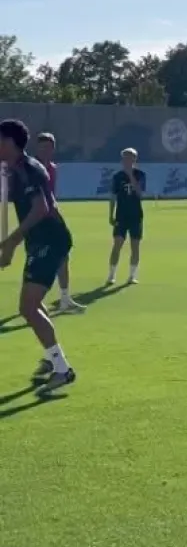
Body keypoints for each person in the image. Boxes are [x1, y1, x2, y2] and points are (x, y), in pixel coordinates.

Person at [0, 119, 76, 392]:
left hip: (50, 240)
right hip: (39, 241)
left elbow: (40, 209)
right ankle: (51, 357)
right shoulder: (14, 168)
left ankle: (62, 369)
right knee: (32, 305)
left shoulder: (28, 169)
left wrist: (10, 242)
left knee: (28, 307)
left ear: (9, 142)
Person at [35, 132, 85, 314]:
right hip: (37, 220)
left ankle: (64, 298)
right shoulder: (33, 168)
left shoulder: (53, 168)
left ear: (53, 148)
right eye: (42, 147)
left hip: (51, 218)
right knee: (38, 259)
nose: (45, 150)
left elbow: (52, 197)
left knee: (63, 255)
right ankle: (33, 302)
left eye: (49, 147)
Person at [107, 148, 146, 285]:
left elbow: (140, 193)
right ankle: (111, 275)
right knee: (117, 244)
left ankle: (132, 275)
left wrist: (130, 175)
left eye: (129, 158)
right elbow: (113, 197)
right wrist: (111, 214)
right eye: (124, 158)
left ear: (134, 160)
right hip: (121, 216)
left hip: (136, 215)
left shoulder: (140, 175)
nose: (126, 161)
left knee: (135, 246)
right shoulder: (117, 177)